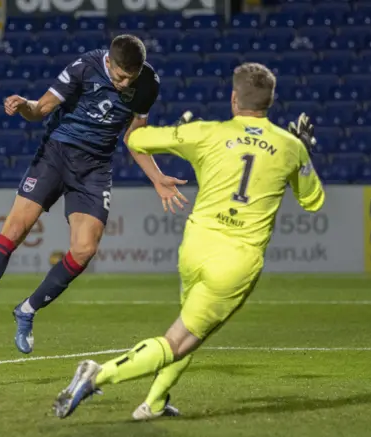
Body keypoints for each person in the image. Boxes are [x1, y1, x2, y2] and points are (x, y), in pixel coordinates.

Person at [53, 62, 325, 419]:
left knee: (190, 326)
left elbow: (136, 139)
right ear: (270, 101)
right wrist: (301, 153)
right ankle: (97, 375)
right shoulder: (290, 146)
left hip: (195, 246)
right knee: (181, 339)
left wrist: (172, 130)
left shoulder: (206, 132)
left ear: (233, 99)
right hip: (236, 261)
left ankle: (155, 402)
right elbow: (312, 200)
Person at [0, 34, 188, 354]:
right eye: (120, 76)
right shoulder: (83, 68)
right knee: (14, 230)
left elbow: (135, 137)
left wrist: (156, 177)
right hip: (55, 157)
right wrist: (23, 106)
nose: (125, 82)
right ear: (109, 62)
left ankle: (27, 310)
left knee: (85, 249)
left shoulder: (147, 83)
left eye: (132, 76)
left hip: (94, 170)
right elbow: (41, 109)